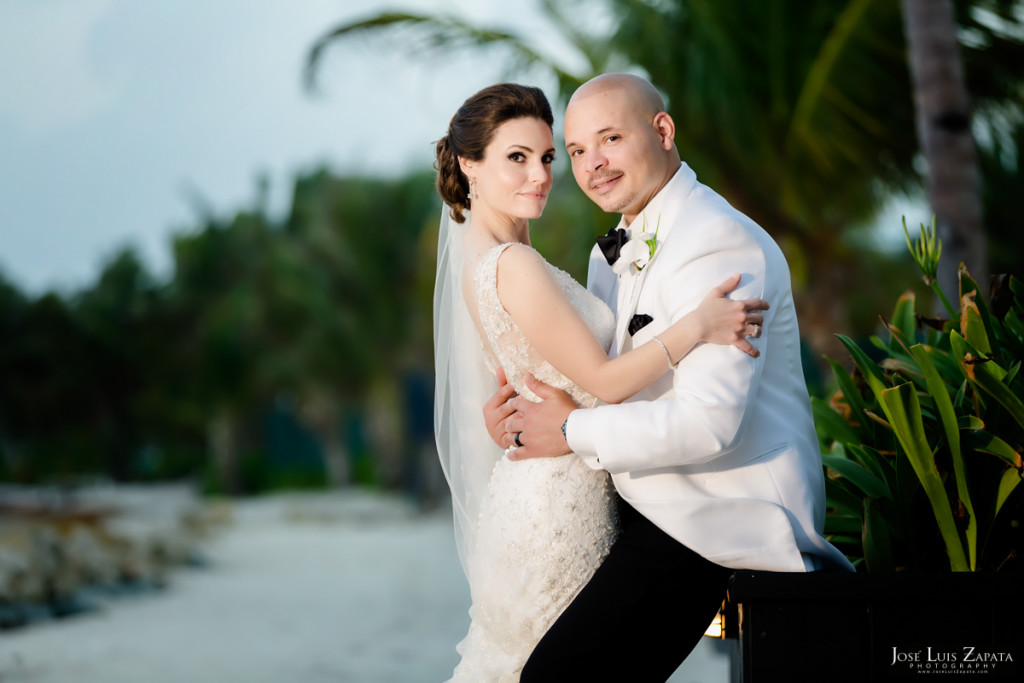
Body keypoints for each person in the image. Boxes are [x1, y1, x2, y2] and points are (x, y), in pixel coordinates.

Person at [486, 73, 855, 681]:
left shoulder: (719, 242)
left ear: (662, 131)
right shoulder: (612, 248)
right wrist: (527, 411)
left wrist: (572, 429)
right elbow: (613, 375)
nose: (592, 164)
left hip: (710, 517)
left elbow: (710, 426)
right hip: (637, 500)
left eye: (609, 138)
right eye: (577, 151)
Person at [432, 82, 770, 682]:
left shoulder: (495, 258)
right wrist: (696, 326)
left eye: (546, 157)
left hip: (571, 486)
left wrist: (511, 408)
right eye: (517, 157)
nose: (541, 175)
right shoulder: (513, 264)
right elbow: (606, 381)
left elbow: (524, 375)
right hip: (558, 499)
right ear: (468, 164)